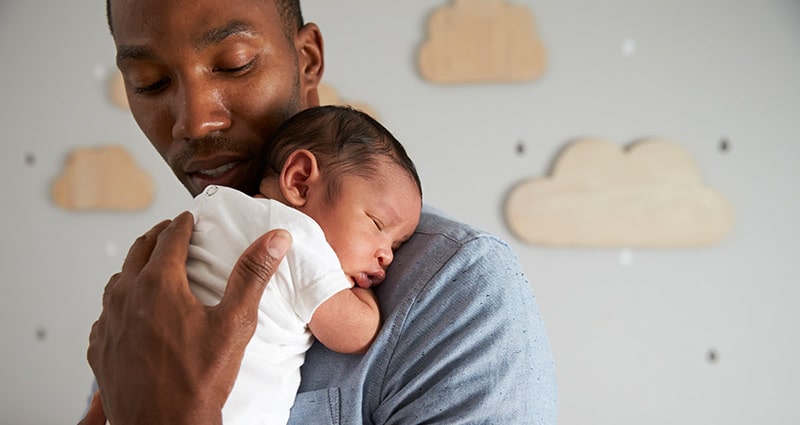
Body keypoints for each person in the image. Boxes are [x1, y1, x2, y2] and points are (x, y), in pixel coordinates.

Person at [82, 0, 558, 424]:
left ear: (307, 60)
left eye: (235, 64)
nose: (195, 120)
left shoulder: (456, 289)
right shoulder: (154, 284)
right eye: (151, 83)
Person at [186, 105, 422, 424]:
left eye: (396, 245)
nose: (388, 256)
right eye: (378, 224)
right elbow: (357, 333)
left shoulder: (213, 209)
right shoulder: (298, 237)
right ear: (300, 182)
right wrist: (357, 291)